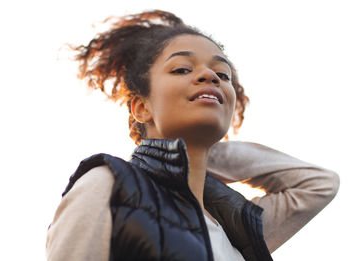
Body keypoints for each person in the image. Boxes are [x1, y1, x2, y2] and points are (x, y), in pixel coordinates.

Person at [46, 10, 339, 261]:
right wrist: (185, 156)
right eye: (182, 68)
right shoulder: (109, 185)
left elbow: (319, 184)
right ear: (141, 107)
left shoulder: (239, 227)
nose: (210, 76)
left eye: (223, 75)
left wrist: (201, 157)